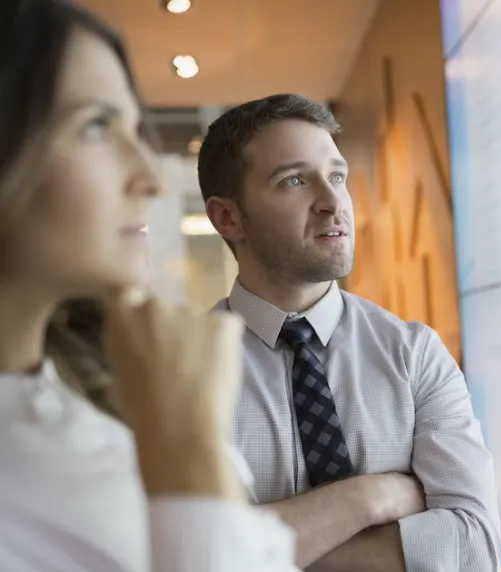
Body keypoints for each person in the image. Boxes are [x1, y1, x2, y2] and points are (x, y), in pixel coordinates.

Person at [0, 1, 302, 570]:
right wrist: (187, 450)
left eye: (134, 129)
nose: (149, 178)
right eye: (95, 126)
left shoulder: (106, 393)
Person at [199, 93, 501, 571]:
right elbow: (185, 560)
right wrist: (371, 497)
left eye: (337, 176)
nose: (331, 201)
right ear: (227, 218)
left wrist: (256, 552)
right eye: (295, 180)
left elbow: (475, 548)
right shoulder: (181, 376)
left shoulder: (413, 354)